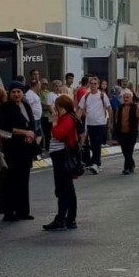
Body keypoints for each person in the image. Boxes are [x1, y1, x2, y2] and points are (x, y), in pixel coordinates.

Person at [0, 82, 37, 222]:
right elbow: (4, 129)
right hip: (12, 149)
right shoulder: (5, 107)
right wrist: (24, 133)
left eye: (19, 92)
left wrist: (31, 135)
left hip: (25, 148)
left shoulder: (26, 105)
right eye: (13, 92)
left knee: (24, 179)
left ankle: (23, 211)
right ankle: (9, 212)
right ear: (9, 93)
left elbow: (31, 124)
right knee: (10, 180)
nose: (16, 94)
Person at [45, 94, 80, 231]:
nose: (55, 110)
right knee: (68, 188)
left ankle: (61, 219)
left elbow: (58, 134)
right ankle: (69, 219)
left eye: (57, 107)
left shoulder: (67, 119)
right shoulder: (67, 117)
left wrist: (54, 122)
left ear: (62, 107)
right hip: (60, 155)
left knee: (63, 188)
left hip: (62, 156)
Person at [77, 76, 112, 173]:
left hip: (100, 124)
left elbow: (109, 108)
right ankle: (98, 164)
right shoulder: (86, 96)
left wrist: (110, 122)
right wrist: (76, 121)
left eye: (95, 84)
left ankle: (95, 164)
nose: (93, 85)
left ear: (98, 85)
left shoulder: (102, 95)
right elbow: (80, 109)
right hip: (89, 124)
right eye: (91, 83)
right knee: (93, 144)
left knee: (97, 143)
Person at [115, 89, 139, 174]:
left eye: (127, 97)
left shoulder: (135, 107)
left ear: (131, 98)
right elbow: (117, 118)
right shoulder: (120, 107)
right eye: (124, 97)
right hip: (122, 133)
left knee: (129, 151)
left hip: (132, 133)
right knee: (125, 151)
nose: (125, 99)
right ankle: (132, 164)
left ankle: (127, 168)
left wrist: (137, 128)